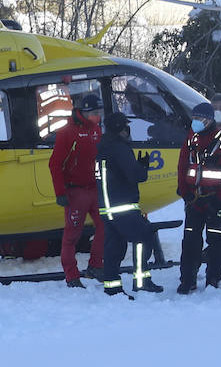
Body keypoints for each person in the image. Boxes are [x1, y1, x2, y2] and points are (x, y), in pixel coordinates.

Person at [94, 111, 164, 296]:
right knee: (144, 237)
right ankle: (141, 281)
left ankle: (112, 287)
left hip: (106, 208)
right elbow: (135, 175)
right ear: (120, 128)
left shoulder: (103, 148)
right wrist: (143, 167)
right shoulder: (119, 148)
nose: (128, 129)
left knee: (114, 247)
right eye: (126, 126)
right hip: (123, 207)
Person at [175, 101, 221, 294]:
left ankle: (214, 278)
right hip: (194, 199)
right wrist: (184, 190)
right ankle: (187, 279)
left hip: (216, 200)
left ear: (210, 120)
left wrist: (220, 198)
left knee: (216, 241)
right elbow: (182, 165)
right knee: (190, 241)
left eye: (199, 119)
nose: (196, 122)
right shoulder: (191, 139)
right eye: (194, 118)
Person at [49, 93, 105, 286]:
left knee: (105, 226)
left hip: (94, 189)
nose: (98, 116)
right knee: (72, 235)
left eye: (100, 112)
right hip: (75, 191)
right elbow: (54, 164)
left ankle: (95, 266)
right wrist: (60, 192)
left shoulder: (96, 130)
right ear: (84, 112)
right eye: (95, 113)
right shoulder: (67, 132)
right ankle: (71, 275)